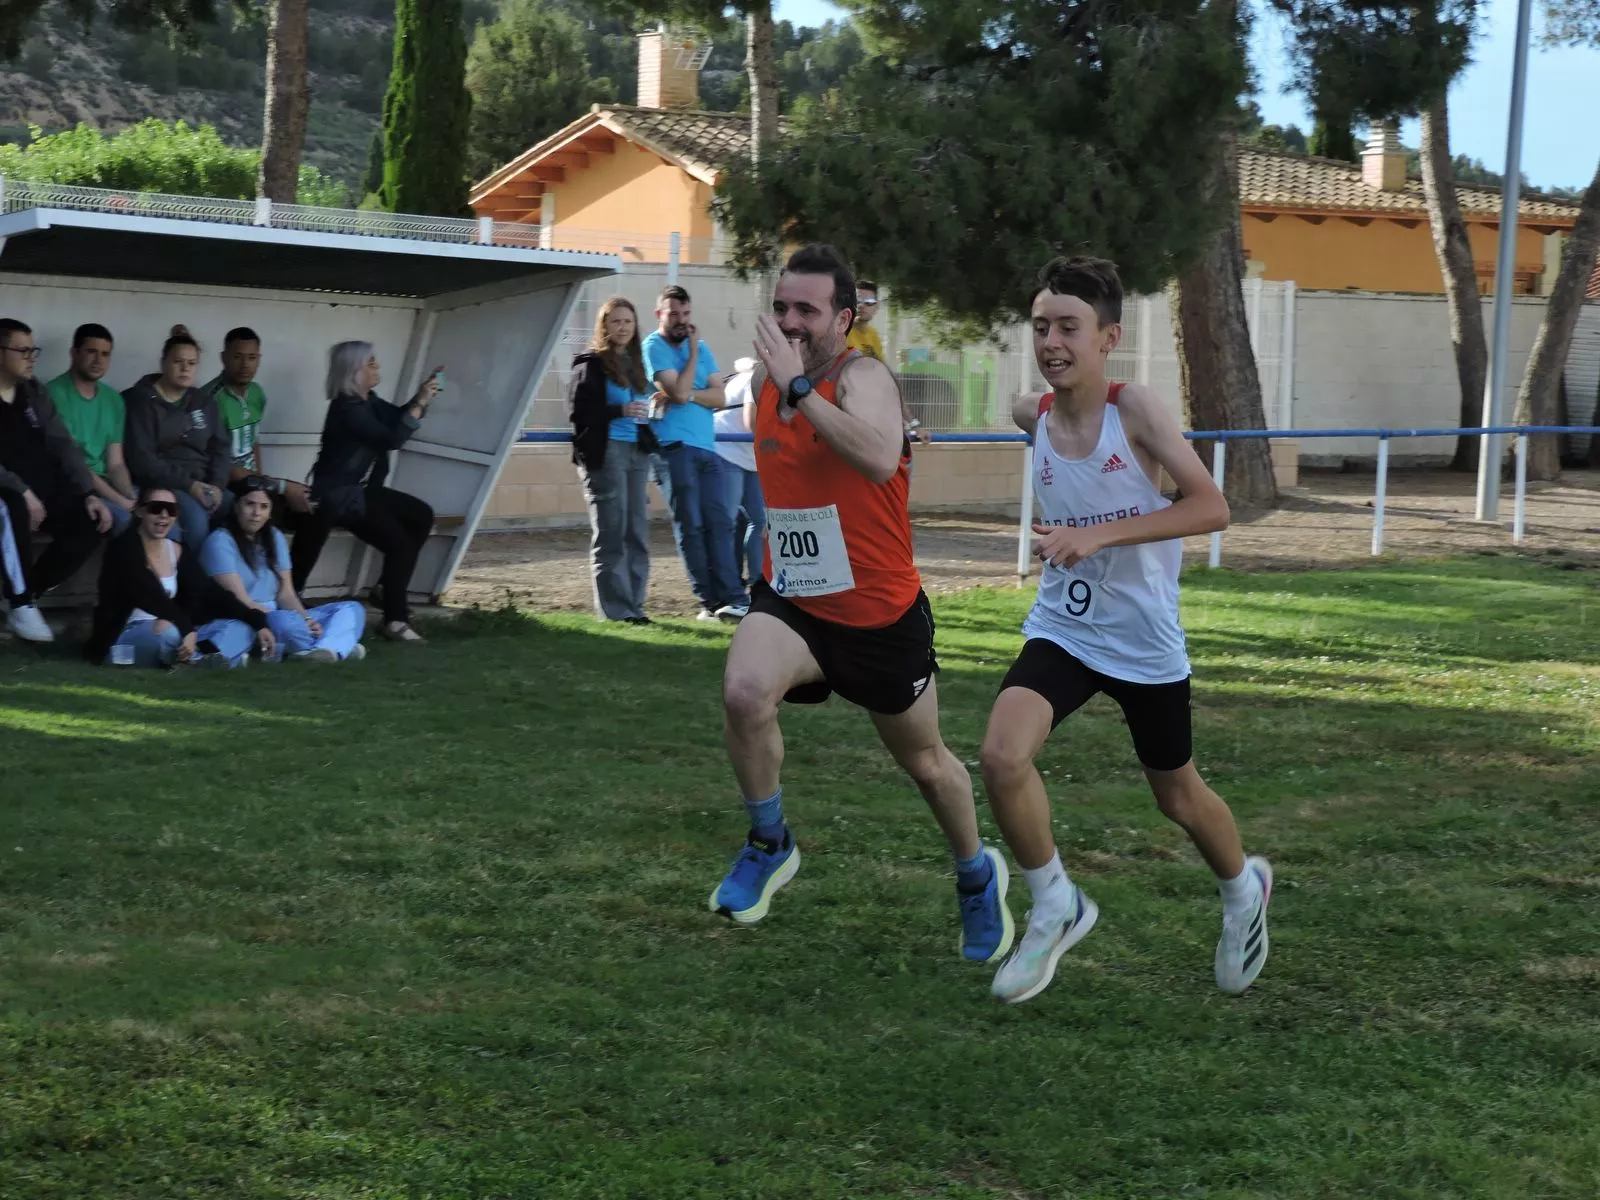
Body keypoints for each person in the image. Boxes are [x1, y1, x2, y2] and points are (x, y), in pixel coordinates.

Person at [708, 244, 1012, 970]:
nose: (789, 322)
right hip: (795, 602)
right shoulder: (766, 388)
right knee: (744, 692)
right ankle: (769, 841)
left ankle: (976, 875)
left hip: (878, 617)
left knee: (928, 764)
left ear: (842, 319)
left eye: (806, 311)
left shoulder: (863, 376)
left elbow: (878, 458)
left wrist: (801, 390)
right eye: (780, 308)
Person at [979, 256, 1272, 1005]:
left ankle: (1243, 891)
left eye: (1069, 328)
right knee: (1002, 756)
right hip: (1066, 628)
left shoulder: (1133, 409)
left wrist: (1101, 535)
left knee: (1175, 793)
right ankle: (1055, 902)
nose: (1052, 341)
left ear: (1107, 337)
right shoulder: (1035, 414)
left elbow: (1212, 507)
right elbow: (1023, 407)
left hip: (1143, 642)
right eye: (1041, 326)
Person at [307, 340, 440, 643]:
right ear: (353, 372)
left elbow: (396, 418)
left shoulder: (368, 401)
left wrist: (421, 397)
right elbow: (392, 438)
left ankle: (385, 589)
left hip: (364, 491)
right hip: (340, 497)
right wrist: (417, 408)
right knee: (400, 545)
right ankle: (395, 620)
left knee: (421, 515)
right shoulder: (347, 409)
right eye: (370, 363)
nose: (377, 367)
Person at [0, 318, 113, 644]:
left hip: (45, 487)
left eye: (33, 349)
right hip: (9, 490)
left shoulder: (33, 391)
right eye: (22, 350)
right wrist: (23, 491)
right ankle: (20, 604)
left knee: (92, 521)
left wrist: (89, 492)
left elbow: (62, 443)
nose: (31, 356)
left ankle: (28, 593)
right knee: (13, 507)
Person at [641, 286, 748, 622]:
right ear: (659, 314)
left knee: (721, 523)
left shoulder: (702, 347)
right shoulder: (652, 347)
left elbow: (720, 398)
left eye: (686, 315)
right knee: (692, 526)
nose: (681, 322)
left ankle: (733, 597)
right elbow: (681, 391)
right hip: (673, 449)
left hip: (707, 447)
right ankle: (710, 602)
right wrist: (689, 360)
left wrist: (686, 393)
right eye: (673, 315)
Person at [202, 327, 329, 590]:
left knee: (315, 512)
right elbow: (221, 466)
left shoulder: (257, 393)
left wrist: (263, 483)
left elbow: (254, 441)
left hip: (251, 480)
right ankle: (255, 593)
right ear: (223, 357)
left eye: (252, 357)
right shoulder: (209, 399)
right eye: (238, 356)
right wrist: (274, 487)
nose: (245, 365)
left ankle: (292, 591)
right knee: (272, 511)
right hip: (224, 483)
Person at [83, 488, 264, 669]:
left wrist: (254, 619)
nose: (164, 515)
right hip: (127, 634)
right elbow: (149, 595)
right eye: (156, 508)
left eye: (171, 510)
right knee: (167, 631)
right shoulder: (124, 548)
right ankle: (206, 657)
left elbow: (210, 592)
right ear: (140, 511)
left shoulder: (177, 550)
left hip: (176, 625)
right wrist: (185, 628)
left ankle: (196, 660)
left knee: (242, 627)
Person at [201, 477, 368, 663]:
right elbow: (241, 599)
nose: (256, 513)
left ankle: (322, 649)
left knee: (352, 608)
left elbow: (286, 594)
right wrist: (294, 620)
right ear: (236, 506)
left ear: (270, 512)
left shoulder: (274, 536)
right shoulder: (220, 542)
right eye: (250, 504)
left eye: (264, 506)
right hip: (250, 616)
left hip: (284, 614)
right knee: (285, 623)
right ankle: (336, 646)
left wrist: (306, 619)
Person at [568, 296, 656, 624]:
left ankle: (634, 606)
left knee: (636, 531)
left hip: (636, 453)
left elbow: (642, 409)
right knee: (611, 532)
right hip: (606, 454)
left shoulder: (635, 366)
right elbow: (577, 412)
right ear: (604, 325)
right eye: (616, 321)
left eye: (628, 322)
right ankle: (615, 610)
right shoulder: (590, 363)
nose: (622, 327)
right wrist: (618, 410)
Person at [123, 325, 231, 548]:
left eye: (191, 363)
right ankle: (187, 580)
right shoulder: (141, 400)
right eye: (178, 362)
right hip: (167, 484)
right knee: (196, 520)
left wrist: (217, 485)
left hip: (206, 484)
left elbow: (221, 447)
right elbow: (143, 461)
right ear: (163, 363)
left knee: (244, 510)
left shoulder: (204, 401)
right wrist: (191, 486)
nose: (185, 369)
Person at [45, 323, 139, 536]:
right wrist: (121, 502)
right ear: (74, 353)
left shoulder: (114, 399)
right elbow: (73, 463)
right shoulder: (53, 394)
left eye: (105, 354)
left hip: (107, 486)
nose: (99, 360)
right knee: (125, 522)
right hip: (74, 486)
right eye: (91, 352)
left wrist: (132, 498)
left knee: (161, 515)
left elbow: (116, 463)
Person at [847, 281, 929, 449]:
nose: (862, 305)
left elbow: (888, 383)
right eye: (858, 299)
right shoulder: (840, 332)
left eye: (869, 302)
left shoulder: (873, 336)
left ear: (876, 308)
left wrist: (914, 424)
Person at [713, 356, 764, 591]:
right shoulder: (759, 378)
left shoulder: (761, 373)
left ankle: (758, 582)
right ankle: (725, 586)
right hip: (727, 451)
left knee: (761, 520)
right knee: (727, 522)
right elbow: (751, 423)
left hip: (749, 456)